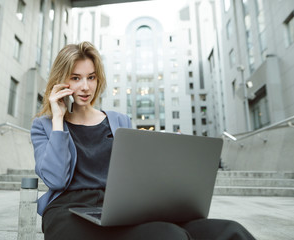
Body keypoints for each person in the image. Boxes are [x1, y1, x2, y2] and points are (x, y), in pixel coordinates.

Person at [30, 42, 255, 240]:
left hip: (119, 208)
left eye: (91, 77)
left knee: (232, 231)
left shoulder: (120, 121)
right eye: (76, 78)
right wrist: (58, 119)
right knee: (168, 235)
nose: (86, 86)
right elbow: (56, 180)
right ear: (61, 81)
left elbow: (137, 175)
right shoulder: (45, 125)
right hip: (68, 211)